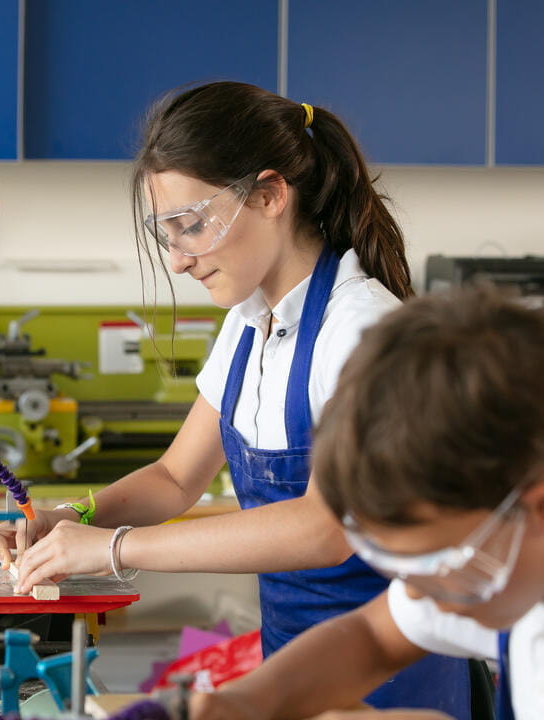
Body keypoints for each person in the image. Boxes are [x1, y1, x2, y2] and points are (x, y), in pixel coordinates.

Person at [0, 81, 469, 713]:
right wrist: (73, 518)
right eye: (166, 235)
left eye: (192, 226)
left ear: (268, 195)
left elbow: (324, 528)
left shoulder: (359, 328)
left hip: (391, 681)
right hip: (297, 670)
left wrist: (114, 550)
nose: (178, 260)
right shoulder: (248, 321)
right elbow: (176, 478)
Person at [188, 285, 544, 720]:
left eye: (439, 566)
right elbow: (371, 635)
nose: (420, 595)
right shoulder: (510, 564)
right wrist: (248, 701)